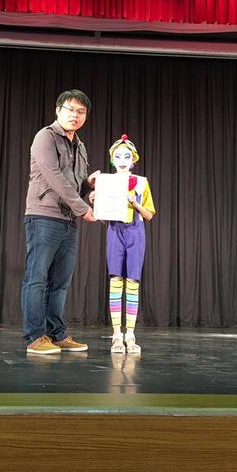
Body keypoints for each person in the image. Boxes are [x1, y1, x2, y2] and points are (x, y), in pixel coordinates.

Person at [21, 89, 99, 355]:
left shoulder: (80, 146)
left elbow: (73, 185)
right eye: (70, 109)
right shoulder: (45, 137)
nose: (75, 115)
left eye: (81, 111)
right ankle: (35, 337)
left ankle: (56, 333)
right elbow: (54, 177)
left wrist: (88, 185)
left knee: (60, 281)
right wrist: (83, 208)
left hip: (68, 220)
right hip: (44, 216)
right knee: (37, 278)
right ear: (58, 110)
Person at [105, 134, 156, 354]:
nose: (122, 160)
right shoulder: (107, 182)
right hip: (115, 231)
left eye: (127, 156)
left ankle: (131, 334)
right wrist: (95, 200)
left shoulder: (142, 182)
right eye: (118, 156)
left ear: (133, 160)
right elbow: (102, 215)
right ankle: (117, 335)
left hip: (136, 232)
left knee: (133, 281)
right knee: (116, 280)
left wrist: (136, 204)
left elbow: (149, 215)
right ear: (112, 160)